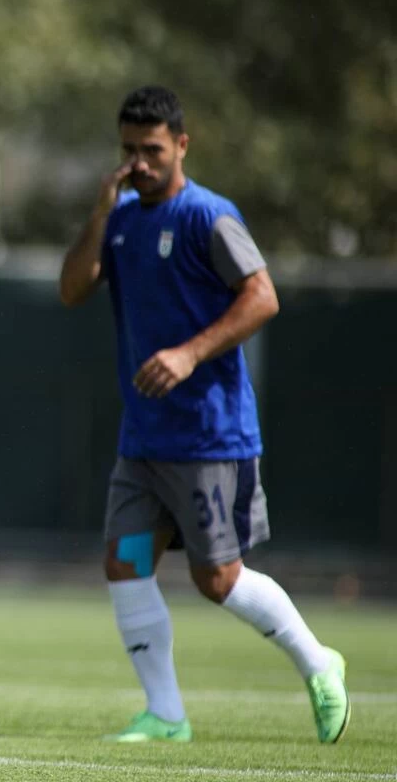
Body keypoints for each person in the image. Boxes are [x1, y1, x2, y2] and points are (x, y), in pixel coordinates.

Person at [58, 85, 349, 744]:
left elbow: (262, 296)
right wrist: (101, 214)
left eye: (152, 150)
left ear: (181, 145)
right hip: (144, 443)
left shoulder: (208, 216)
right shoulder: (125, 219)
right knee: (125, 563)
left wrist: (188, 355)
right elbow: (73, 288)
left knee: (216, 579)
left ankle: (317, 660)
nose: (139, 163)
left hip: (209, 436)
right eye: (129, 151)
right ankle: (165, 714)